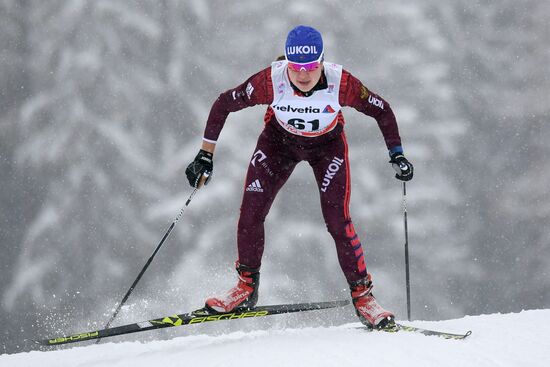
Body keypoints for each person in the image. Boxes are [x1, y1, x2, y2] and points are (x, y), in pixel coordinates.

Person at [185, 25, 413, 330]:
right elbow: (224, 103)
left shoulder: (341, 83)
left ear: (321, 62)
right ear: (287, 63)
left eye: (310, 67)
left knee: (337, 221)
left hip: (327, 148)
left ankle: (364, 297)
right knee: (251, 210)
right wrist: (205, 154)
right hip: (278, 144)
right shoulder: (270, 81)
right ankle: (246, 286)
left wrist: (396, 153)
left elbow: (382, 110)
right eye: (295, 67)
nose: (303, 75)